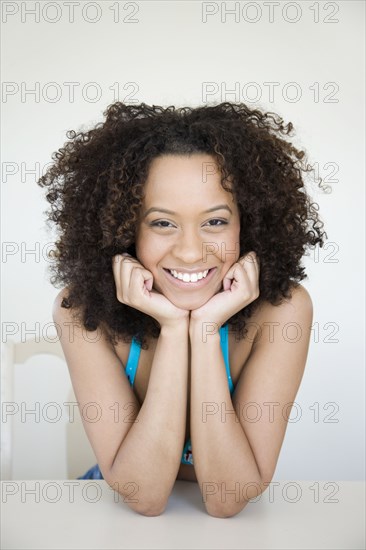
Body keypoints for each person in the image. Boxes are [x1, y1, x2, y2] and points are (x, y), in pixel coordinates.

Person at [38, 101, 326, 517]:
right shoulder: (82, 311)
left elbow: (229, 498)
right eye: (162, 223)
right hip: (113, 516)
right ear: (124, 229)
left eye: (215, 222)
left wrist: (206, 329)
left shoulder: (283, 312)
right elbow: (145, 496)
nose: (190, 252)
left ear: (249, 224)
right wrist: (174, 330)